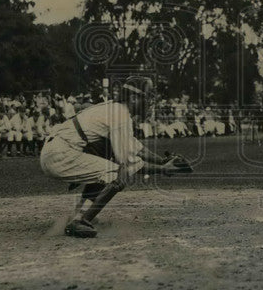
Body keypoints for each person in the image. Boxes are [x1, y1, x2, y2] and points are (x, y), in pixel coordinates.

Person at [39, 75, 191, 238]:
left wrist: (162, 161)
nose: (149, 101)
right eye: (146, 96)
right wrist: (162, 169)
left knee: (107, 165)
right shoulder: (120, 116)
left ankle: (78, 215)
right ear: (133, 98)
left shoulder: (116, 110)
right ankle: (80, 222)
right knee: (117, 174)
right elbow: (129, 162)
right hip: (62, 154)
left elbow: (135, 147)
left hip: (58, 151)